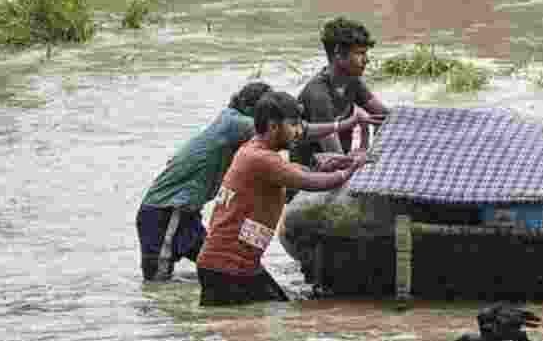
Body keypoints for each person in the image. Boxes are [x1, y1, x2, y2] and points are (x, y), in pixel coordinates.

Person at [136, 82, 372, 282]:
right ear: (253, 111)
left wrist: (320, 166)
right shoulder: (236, 124)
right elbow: (297, 132)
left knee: (212, 264)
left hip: (186, 212)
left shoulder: (242, 135)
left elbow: (285, 165)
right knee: (158, 281)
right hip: (167, 210)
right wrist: (346, 124)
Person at [194, 91, 361, 306]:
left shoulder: (255, 151)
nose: (298, 131)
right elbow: (311, 183)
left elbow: (295, 172)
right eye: (293, 125)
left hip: (235, 265)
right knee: (259, 323)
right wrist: (350, 171)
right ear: (273, 126)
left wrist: (323, 166)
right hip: (227, 268)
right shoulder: (261, 158)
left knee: (269, 313)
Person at [291, 16, 391, 171]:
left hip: (337, 164)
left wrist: (369, 146)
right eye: (360, 53)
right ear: (338, 53)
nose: (366, 60)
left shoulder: (353, 81)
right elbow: (334, 153)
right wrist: (364, 158)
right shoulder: (318, 94)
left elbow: (385, 117)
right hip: (311, 176)